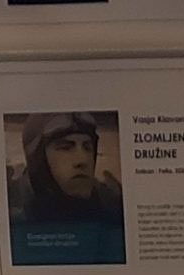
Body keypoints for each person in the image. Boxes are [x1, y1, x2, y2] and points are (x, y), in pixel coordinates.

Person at [10, 112, 125, 265]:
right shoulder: (8, 211)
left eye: (88, 147)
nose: (82, 160)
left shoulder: (113, 207)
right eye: (65, 148)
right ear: (38, 157)